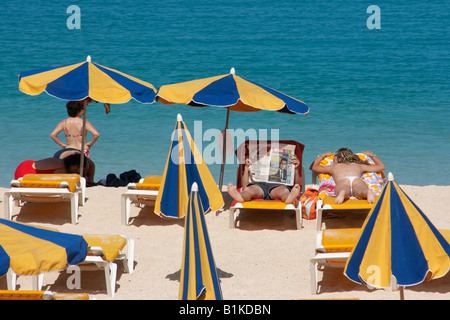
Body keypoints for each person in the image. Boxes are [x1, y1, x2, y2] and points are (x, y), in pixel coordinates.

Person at [310, 148, 385, 204]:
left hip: (343, 181)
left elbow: (313, 167)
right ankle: (367, 192)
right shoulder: (358, 165)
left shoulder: (334, 167)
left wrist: (322, 156)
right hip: (357, 180)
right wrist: (372, 155)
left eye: (334, 159)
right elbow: (381, 166)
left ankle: (342, 193)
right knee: (360, 191)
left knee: (342, 189)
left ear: (338, 159)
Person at [227, 154, 301, 204]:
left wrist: (296, 168)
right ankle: (240, 196)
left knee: (284, 191)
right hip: (259, 185)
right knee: (249, 190)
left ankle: (289, 198)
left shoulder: (284, 170)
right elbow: (244, 186)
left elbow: (296, 184)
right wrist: (246, 167)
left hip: (277, 186)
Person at [14, 153, 87, 180]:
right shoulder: (62, 170)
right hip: (26, 178)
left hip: (24, 167)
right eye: (78, 167)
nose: (77, 170)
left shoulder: (57, 161)